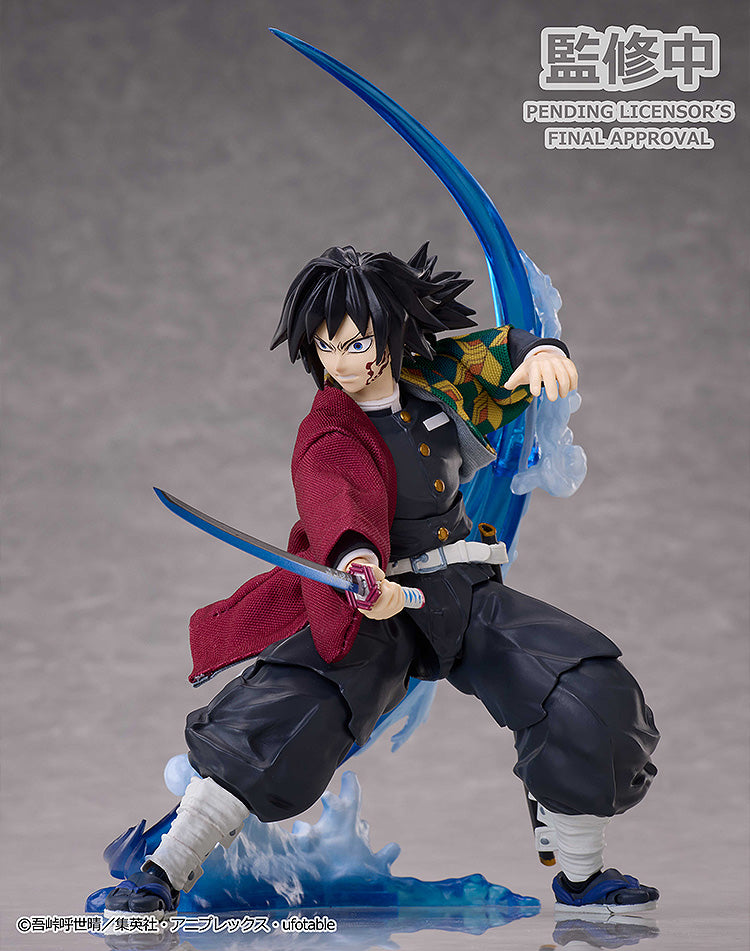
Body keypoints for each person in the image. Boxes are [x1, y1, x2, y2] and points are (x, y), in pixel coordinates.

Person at [105, 244, 659, 917]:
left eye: (357, 343)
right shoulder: (329, 431)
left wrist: (542, 350)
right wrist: (359, 567)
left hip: (467, 594)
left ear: (392, 333)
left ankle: (580, 874)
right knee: (279, 717)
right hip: (376, 609)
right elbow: (333, 498)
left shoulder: (439, 381)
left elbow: (497, 351)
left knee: (583, 689)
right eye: (327, 346)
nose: (341, 362)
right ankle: (161, 873)